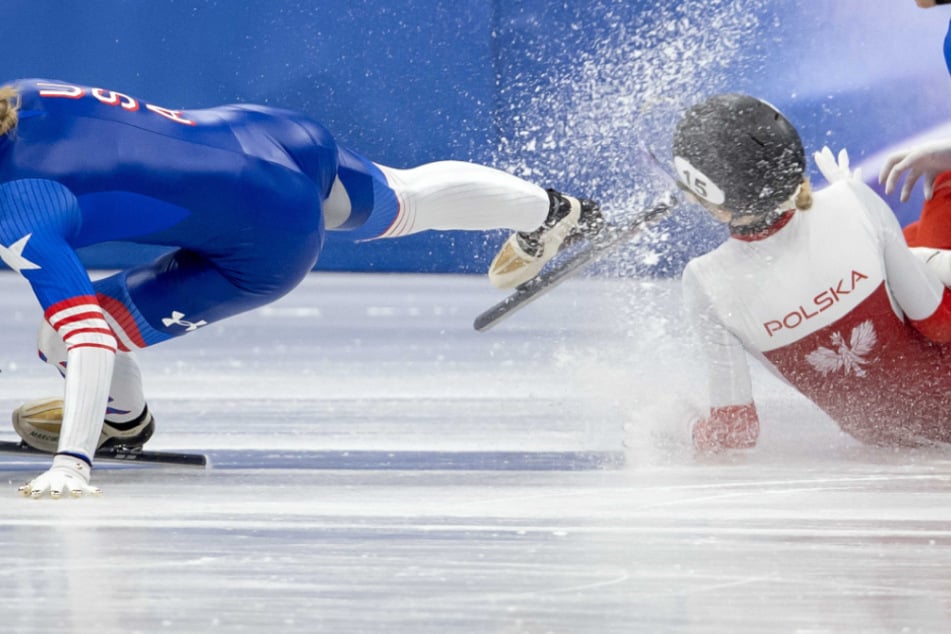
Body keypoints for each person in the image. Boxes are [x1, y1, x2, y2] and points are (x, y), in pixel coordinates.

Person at [1, 78, 602, 498]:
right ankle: (555, 211)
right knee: (407, 198)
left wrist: (72, 465)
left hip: (267, 243)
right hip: (268, 135)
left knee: (62, 333)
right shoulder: (23, 94)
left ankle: (122, 424)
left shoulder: (20, 208)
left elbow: (87, 338)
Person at [673, 93, 951, 454]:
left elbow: (735, 432)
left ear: (704, 195)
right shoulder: (851, 201)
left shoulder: (703, 280)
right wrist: (914, 254)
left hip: (892, 436)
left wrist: (673, 421)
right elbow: (940, 324)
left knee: (908, 243)